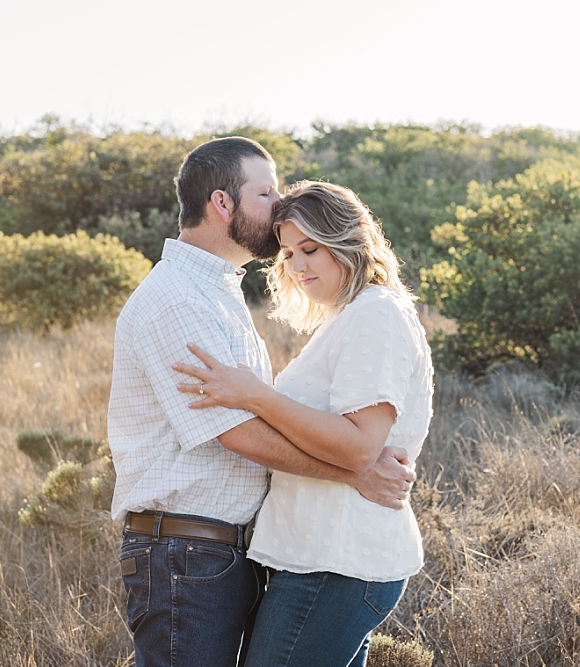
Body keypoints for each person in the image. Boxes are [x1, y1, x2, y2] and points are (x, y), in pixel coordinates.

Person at [108, 138, 416, 667]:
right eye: (265, 192)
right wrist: (351, 471)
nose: (278, 204)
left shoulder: (216, 290)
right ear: (222, 204)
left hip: (220, 554)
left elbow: (256, 414)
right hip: (187, 553)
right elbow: (239, 432)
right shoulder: (178, 298)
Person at [173, 180, 434, 667]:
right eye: (288, 254)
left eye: (310, 249)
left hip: (338, 561)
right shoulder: (350, 317)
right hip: (316, 556)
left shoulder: (376, 316)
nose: (296, 266)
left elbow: (359, 448)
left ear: (349, 240)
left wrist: (256, 394)